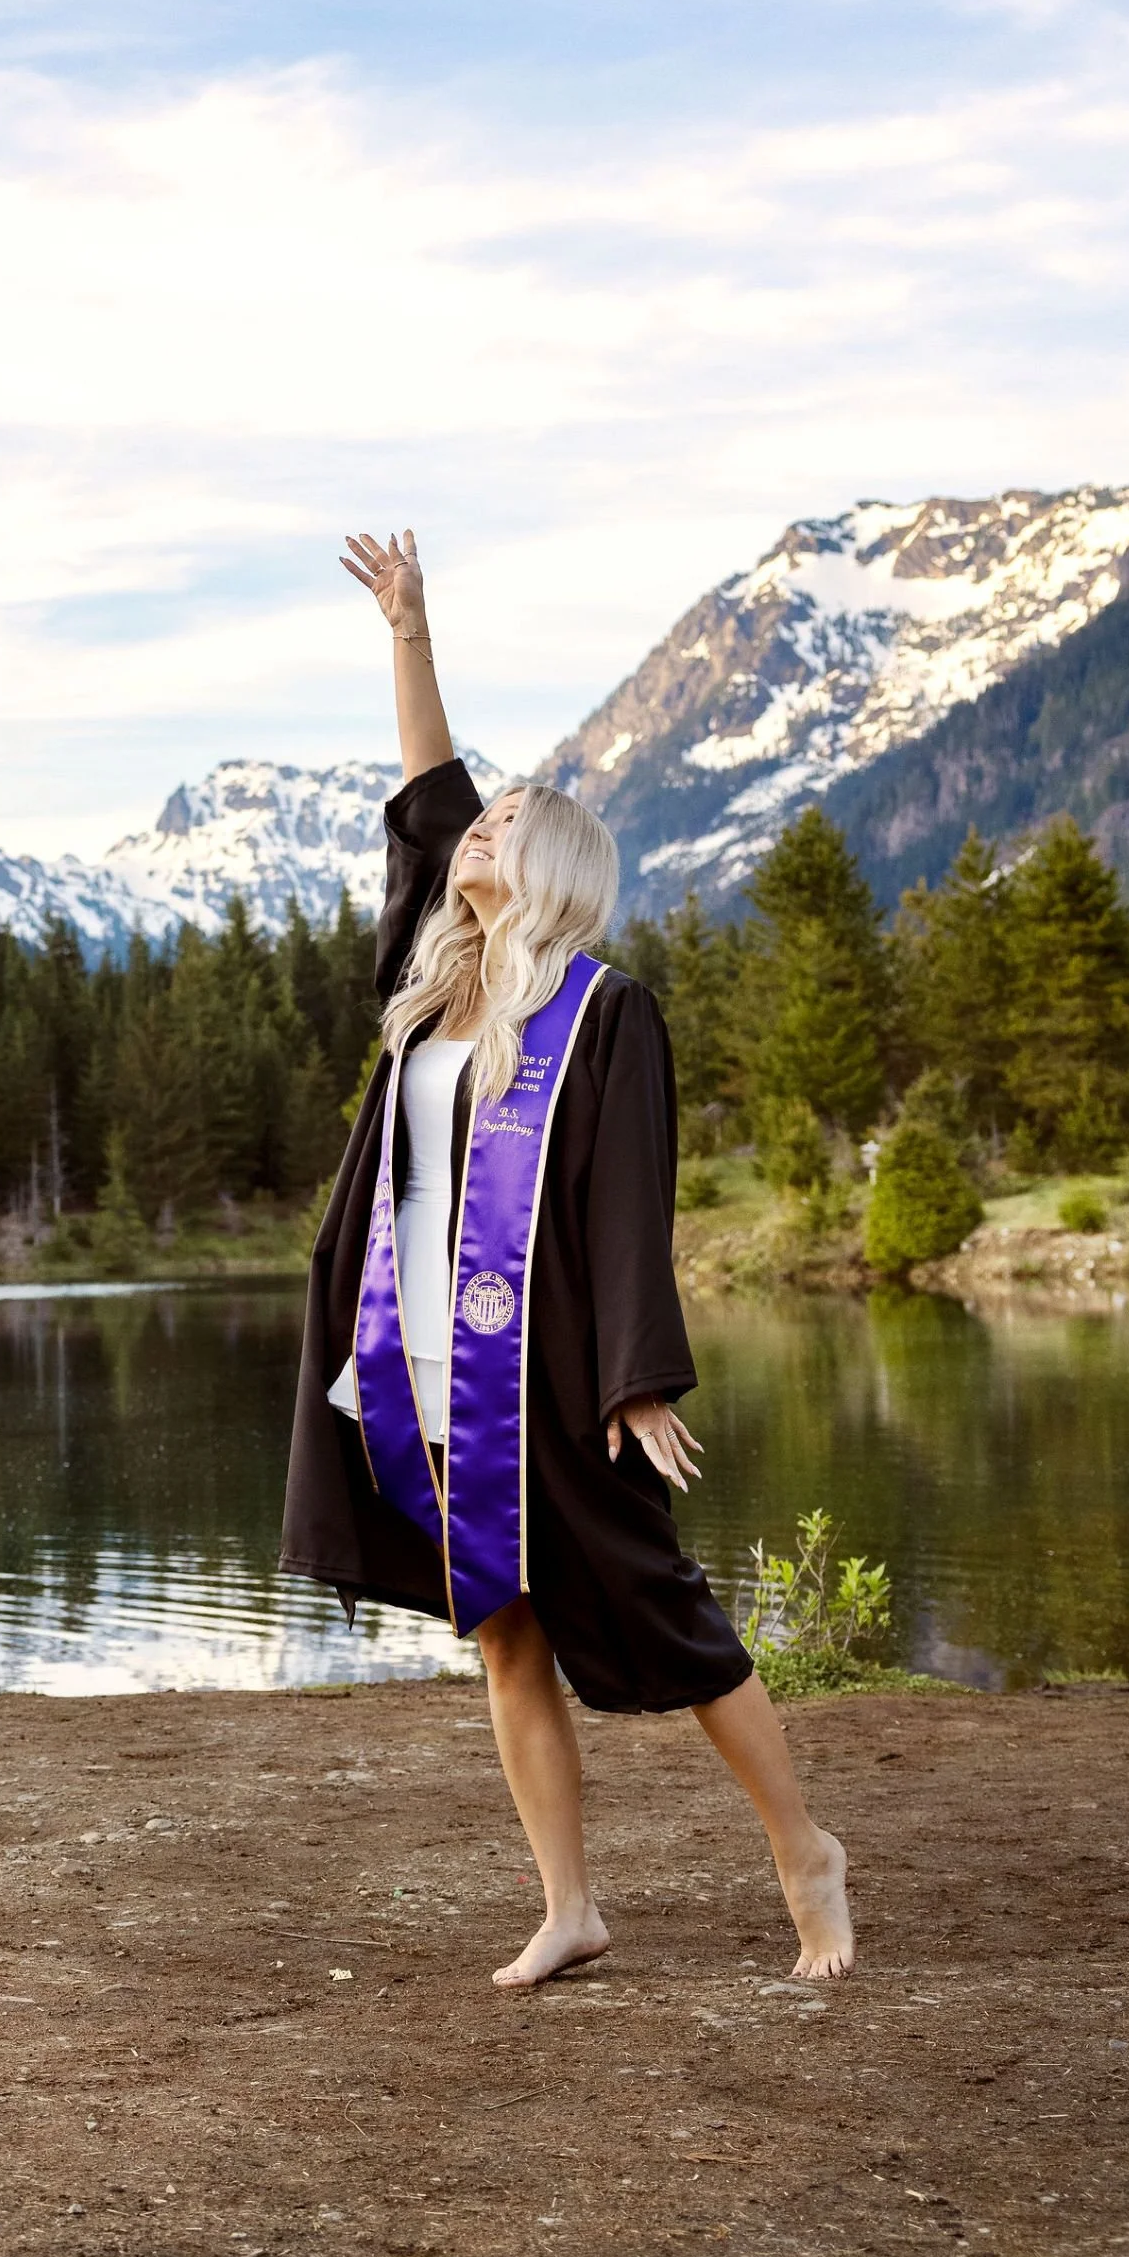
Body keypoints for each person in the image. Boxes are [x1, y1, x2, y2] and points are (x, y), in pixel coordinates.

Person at [279, 526, 854, 1987]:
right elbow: (426, 794)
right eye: (478, 822)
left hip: (540, 1375)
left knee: (661, 1606)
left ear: (550, 864)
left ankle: (806, 1850)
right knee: (503, 1636)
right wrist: (410, 630)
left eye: (507, 818)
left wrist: (638, 1377)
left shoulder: (604, 1016)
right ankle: (569, 1906)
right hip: (414, 1364)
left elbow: (624, 1206)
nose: (478, 828)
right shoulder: (433, 988)